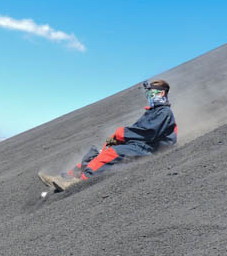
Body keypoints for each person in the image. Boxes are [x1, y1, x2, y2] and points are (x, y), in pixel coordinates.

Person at [40, 80, 177, 191]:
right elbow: (135, 131)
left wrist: (120, 134)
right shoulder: (152, 112)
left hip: (148, 148)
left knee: (111, 153)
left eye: (152, 93)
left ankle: (78, 182)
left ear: (162, 93)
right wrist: (113, 140)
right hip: (137, 145)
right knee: (95, 153)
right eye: (148, 94)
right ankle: (65, 177)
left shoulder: (164, 112)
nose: (150, 97)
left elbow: (148, 133)